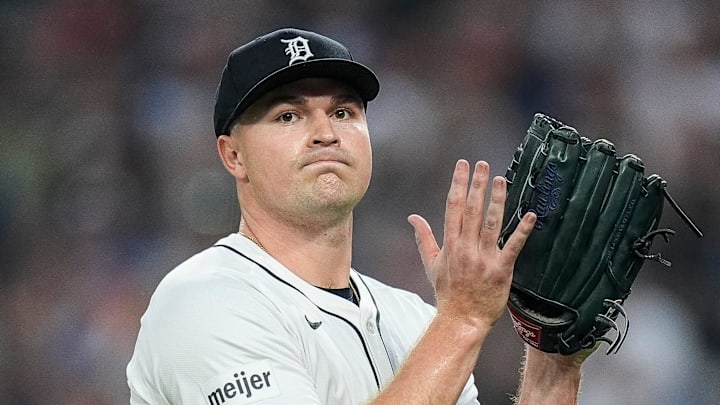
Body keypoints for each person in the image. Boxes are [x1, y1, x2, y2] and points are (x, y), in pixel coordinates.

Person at [127, 27, 592, 405]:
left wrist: (552, 360)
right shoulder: (204, 301)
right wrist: (464, 318)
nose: (325, 133)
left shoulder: (413, 320)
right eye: (289, 116)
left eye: (344, 111)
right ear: (233, 156)